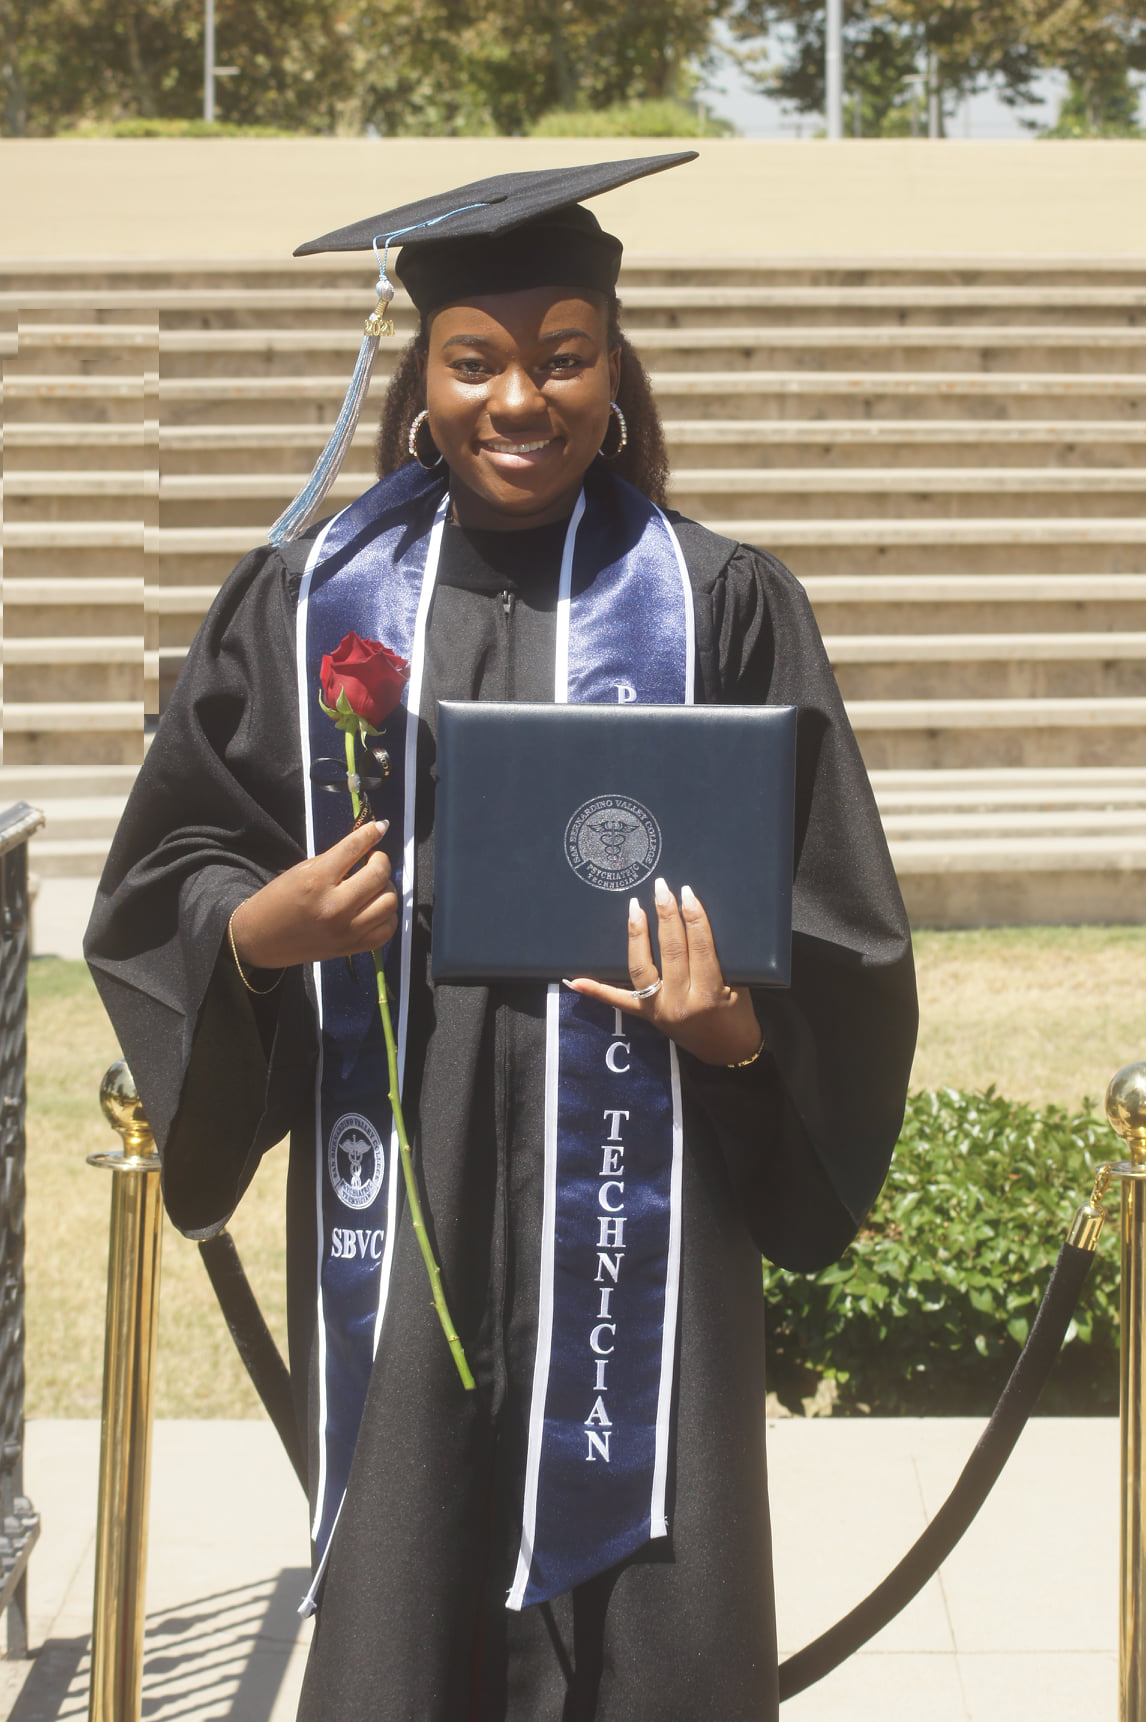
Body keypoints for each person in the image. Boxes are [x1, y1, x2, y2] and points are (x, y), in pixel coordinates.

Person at [85, 153, 917, 1722]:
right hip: (401, 1207)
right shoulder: (306, 604)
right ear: (425, 381)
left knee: (651, 1621)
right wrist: (253, 932)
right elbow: (172, 866)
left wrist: (733, 1024)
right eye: (476, 358)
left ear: (613, 373)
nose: (517, 397)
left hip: (640, 1226)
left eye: (561, 354)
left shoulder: (724, 603)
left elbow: (841, 934)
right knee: (409, 1595)